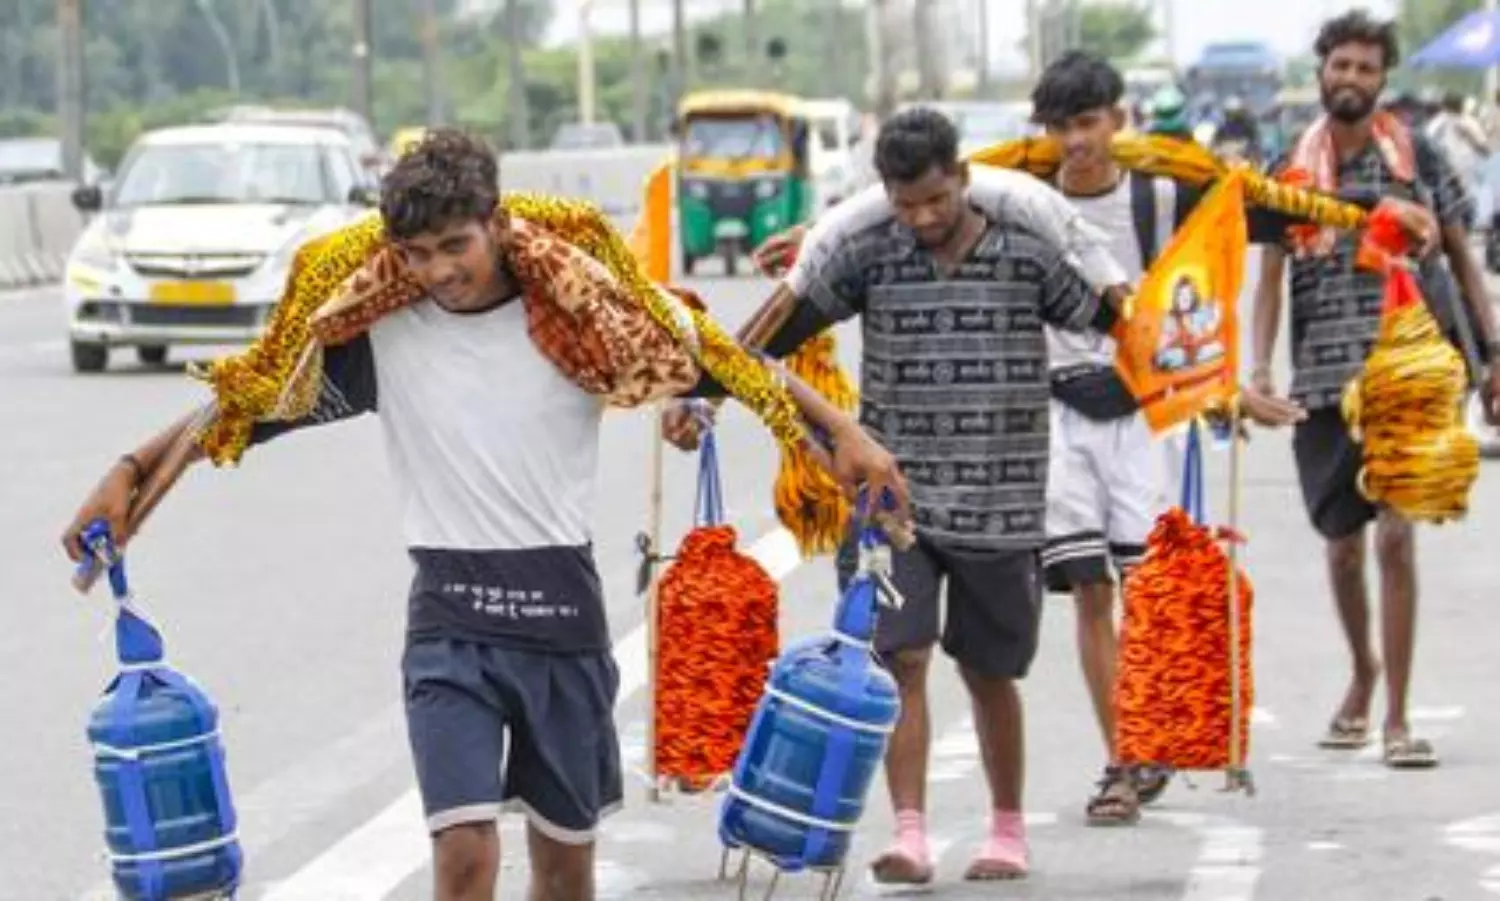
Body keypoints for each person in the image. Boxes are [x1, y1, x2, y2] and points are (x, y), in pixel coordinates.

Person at [60, 130, 909, 901]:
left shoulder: (586, 322)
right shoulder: (377, 336)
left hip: (562, 622)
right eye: (417, 253)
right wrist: (132, 471)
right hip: (448, 626)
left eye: (455, 246)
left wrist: (845, 434)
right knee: (464, 855)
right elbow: (244, 405)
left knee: (562, 865)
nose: (438, 271)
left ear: (496, 224)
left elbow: (728, 363)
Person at [671, 107, 1136, 885]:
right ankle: (911, 832)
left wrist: (1183, 361)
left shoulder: (1026, 252)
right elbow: (774, 331)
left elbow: (1113, 319)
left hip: (1002, 499)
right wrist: (702, 396)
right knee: (898, 660)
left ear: (960, 178)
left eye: (934, 198)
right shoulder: (868, 251)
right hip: (892, 500)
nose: (921, 216)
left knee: (991, 673)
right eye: (904, 201)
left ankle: (1006, 827)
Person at [1246, 11, 1500, 770]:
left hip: (1413, 368)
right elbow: (1268, 279)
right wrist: (1257, 372)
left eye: (1365, 68)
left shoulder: (1418, 156)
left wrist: (1491, 361)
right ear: (1321, 71)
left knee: (1395, 535)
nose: (1351, 79)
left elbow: (1462, 260)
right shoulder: (1285, 164)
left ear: (1383, 79)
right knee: (1343, 547)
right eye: (1340, 66)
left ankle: (1396, 715)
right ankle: (1363, 668)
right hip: (1323, 374)